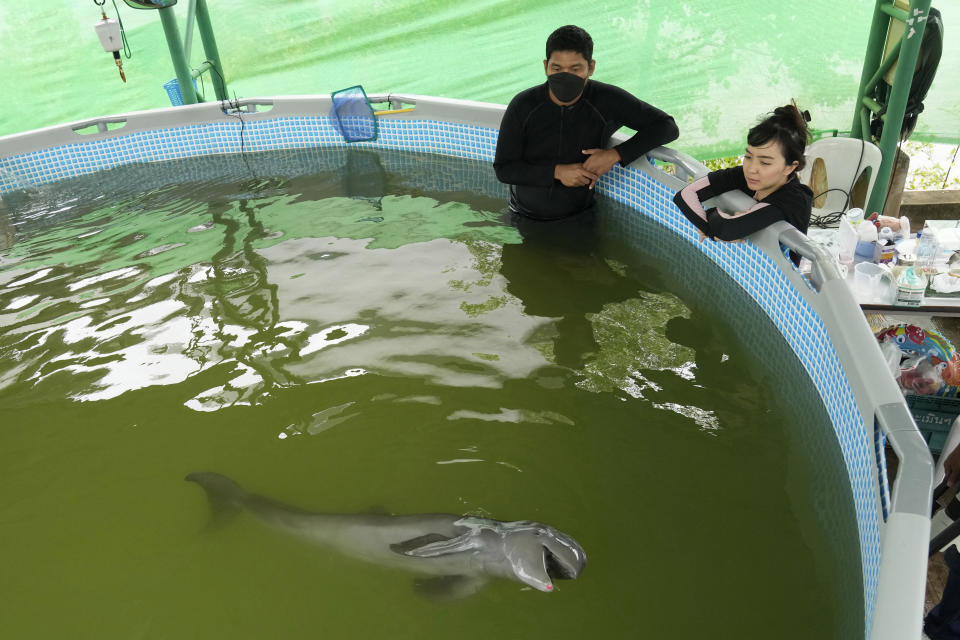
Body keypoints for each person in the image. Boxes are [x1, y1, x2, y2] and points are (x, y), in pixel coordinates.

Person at [493, 25, 679, 221]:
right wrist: (556, 172)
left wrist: (615, 154)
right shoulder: (523, 105)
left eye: (575, 69)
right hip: (522, 216)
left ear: (591, 67)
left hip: (579, 218)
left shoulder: (606, 100)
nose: (565, 76)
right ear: (546, 66)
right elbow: (504, 169)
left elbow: (666, 126)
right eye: (557, 68)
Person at [672, 103, 813, 264]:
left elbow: (727, 228)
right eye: (748, 157)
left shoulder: (796, 199)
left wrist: (711, 213)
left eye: (765, 163)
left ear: (790, 167)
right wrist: (710, 228)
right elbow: (684, 195)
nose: (752, 169)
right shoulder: (745, 176)